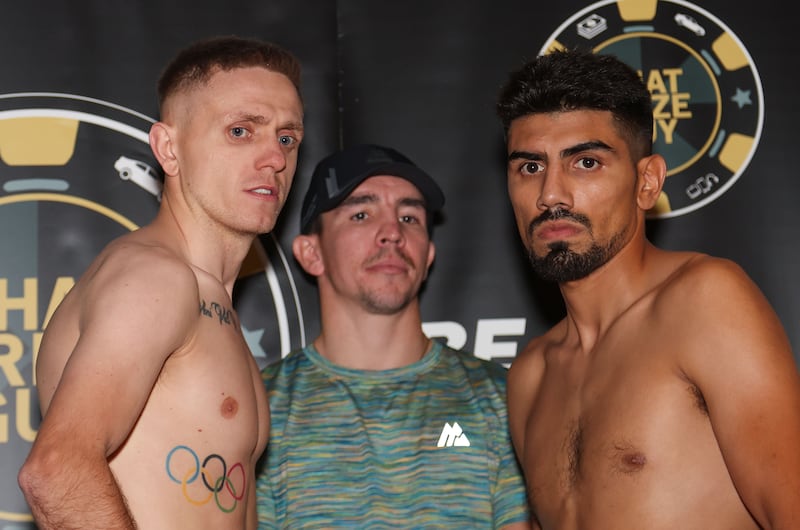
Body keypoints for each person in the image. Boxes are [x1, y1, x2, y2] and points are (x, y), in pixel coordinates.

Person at [495, 48, 800, 529]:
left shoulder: (704, 302)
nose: (550, 194)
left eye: (586, 163)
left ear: (647, 181)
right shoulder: (530, 376)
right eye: (530, 167)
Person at [17, 35, 304, 530]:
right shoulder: (155, 278)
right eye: (240, 131)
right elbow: (56, 471)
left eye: (286, 138)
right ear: (168, 149)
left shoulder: (210, 300)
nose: (274, 159)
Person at [255, 143, 531, 529]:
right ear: (311, 253)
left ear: (428, 254)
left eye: (410, 217)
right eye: (362, 214)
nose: (392, 233)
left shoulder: (501, 399)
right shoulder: (261, 411)